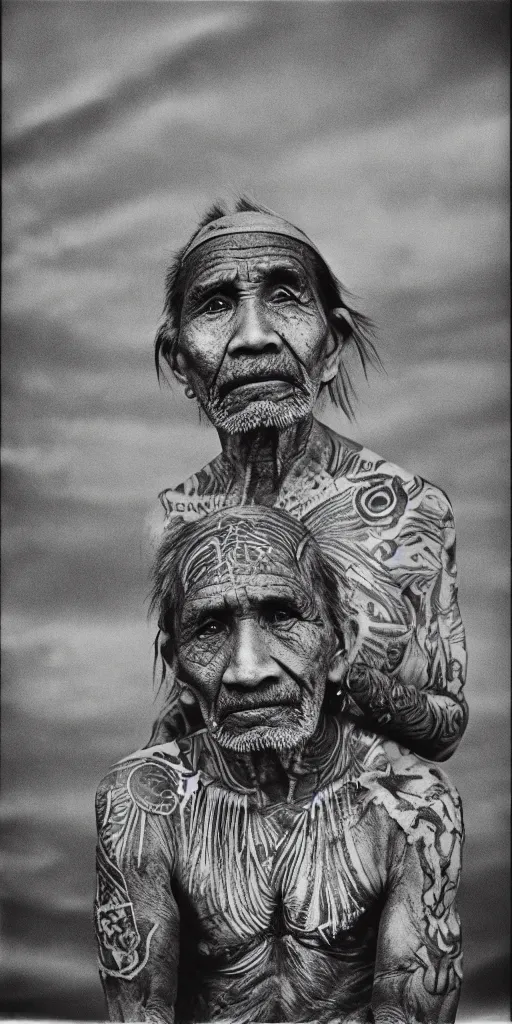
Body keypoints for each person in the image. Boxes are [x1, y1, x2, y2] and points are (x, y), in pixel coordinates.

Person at [95, 507, 463, 1023]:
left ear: (341, 645)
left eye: (282, 616)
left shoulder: (412, 809)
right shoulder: (141, 802)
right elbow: (140, 1011)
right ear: (175, 661)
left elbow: (409, 1010)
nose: (248, 669)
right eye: (210, 627)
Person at [148, 198, 467, 762]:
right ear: (180, 363)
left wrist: (335, 673)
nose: (253, 336)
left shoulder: (410, 508)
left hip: (371, 834)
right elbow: (195, 704)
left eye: (285, 296)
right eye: (217, 304)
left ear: (333, 347)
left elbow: (445, 727)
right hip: (228, 840)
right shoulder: (174, 516)